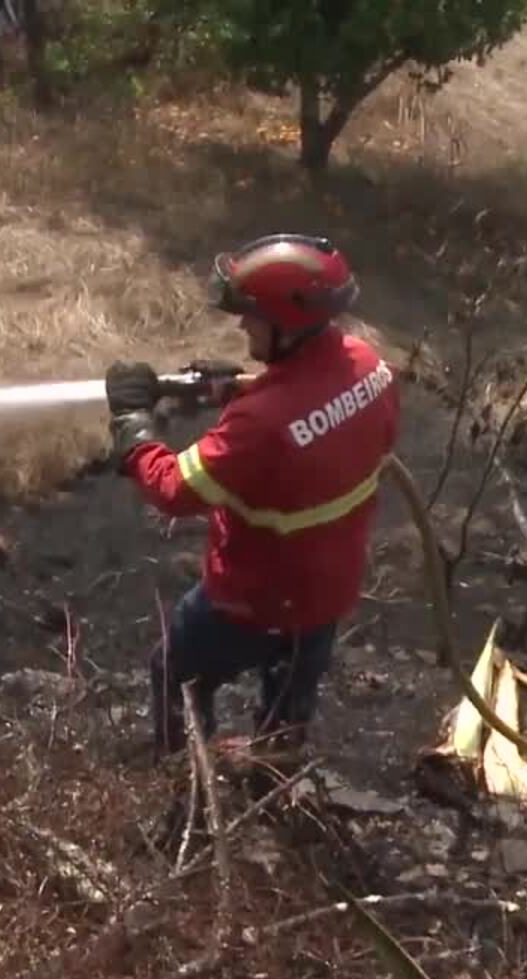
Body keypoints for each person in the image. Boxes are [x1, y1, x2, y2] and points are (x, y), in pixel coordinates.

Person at [103, 233, 401, 760]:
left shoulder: (261, 425)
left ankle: (184, 773)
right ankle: (274, 775)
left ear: (288, 325)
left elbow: (175, 489)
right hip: (327, 590)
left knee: (175, 674)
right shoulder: (368, 365)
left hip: (254, 596)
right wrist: (237, 388)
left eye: (252, 316)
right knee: (288, 703)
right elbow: (309, 406)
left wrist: (133, 429)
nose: (242, 324)